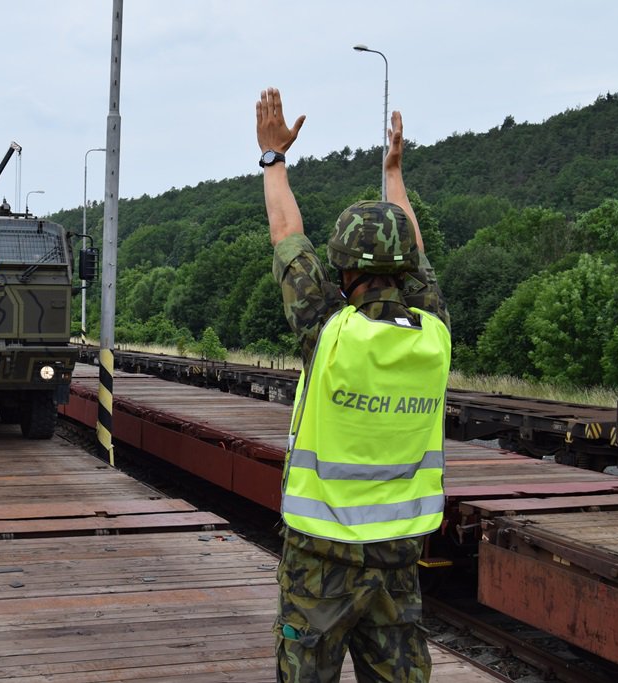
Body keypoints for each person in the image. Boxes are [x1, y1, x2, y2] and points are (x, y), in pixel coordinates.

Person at [256, 87, 452, 683]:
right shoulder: (434, 336)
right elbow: (415, 251)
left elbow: (287, 235)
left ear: (342, 272)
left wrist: (273, 158)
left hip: (319, 557)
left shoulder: (328, 332)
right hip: (398, 556)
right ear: (412, 276)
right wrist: (395, 176)